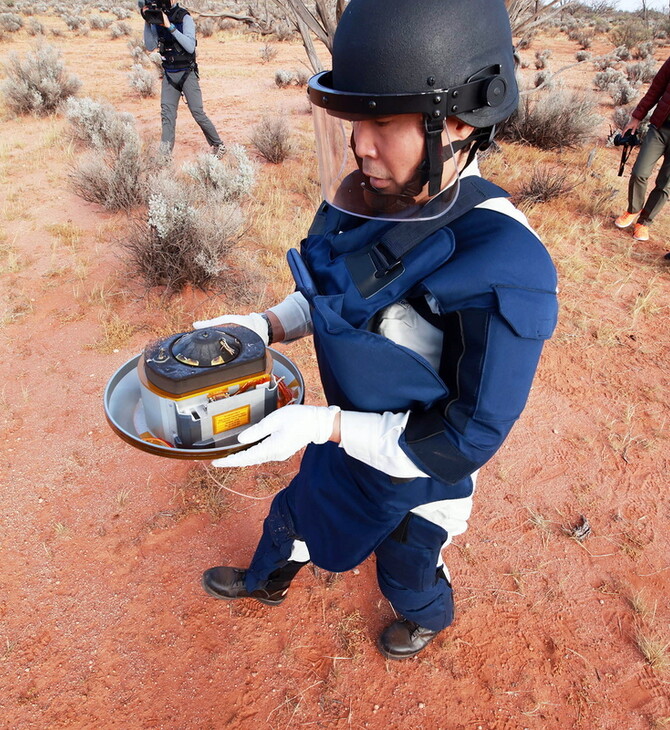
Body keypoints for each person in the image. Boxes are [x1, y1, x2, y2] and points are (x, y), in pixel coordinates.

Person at [196, 0, 558, 660]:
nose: (361, 144)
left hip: (419, 476)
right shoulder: (369, 193)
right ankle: (265, 581)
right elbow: (332, 294)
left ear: (454, 120)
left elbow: (459, 440)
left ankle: (428, 615)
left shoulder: (506, 264)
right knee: (293, 514)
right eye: (353, 119)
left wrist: (324, 424)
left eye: (383, 120)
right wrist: (266, 324)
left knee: (405, 568)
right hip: (346, 437)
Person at [140, 0, 225, 157]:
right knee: (167, 115)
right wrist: (148, 20)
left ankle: (218, 144)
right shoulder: (158, 17)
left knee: (197, 112)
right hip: (169, 74)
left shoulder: (184, 17)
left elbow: (190, 46)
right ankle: (164, 156)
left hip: (187, 72)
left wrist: (170, 27)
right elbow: (150, 46)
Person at [614, 56, 670, 243]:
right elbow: (656, 89)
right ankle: (633, 208)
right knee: (639, 172)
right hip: (660, 129)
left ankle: (644, 222)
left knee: (665, 185)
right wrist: (637, 117)